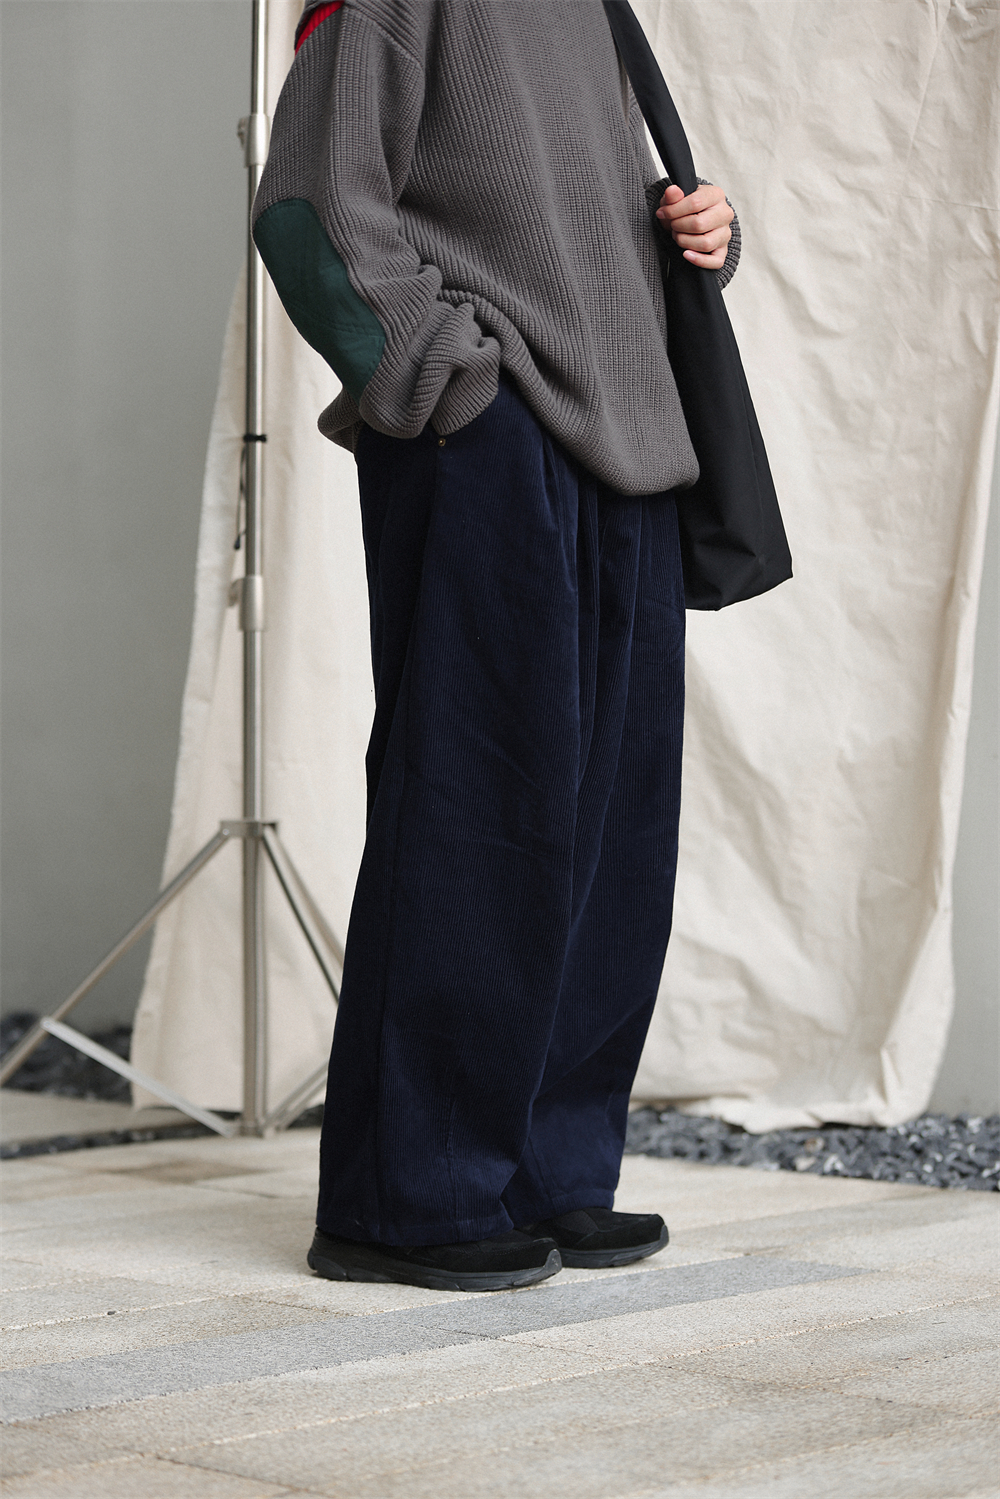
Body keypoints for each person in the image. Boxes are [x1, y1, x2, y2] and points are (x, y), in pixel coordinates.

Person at [253, 0, 738, 1292]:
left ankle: (543, 1172)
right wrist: (451, 385)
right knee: (475, 809)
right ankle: (408, 1197)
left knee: (614, 839)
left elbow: (557, 217)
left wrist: (695, 232)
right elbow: (309, 211)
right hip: (495, 432)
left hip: (631, 440)